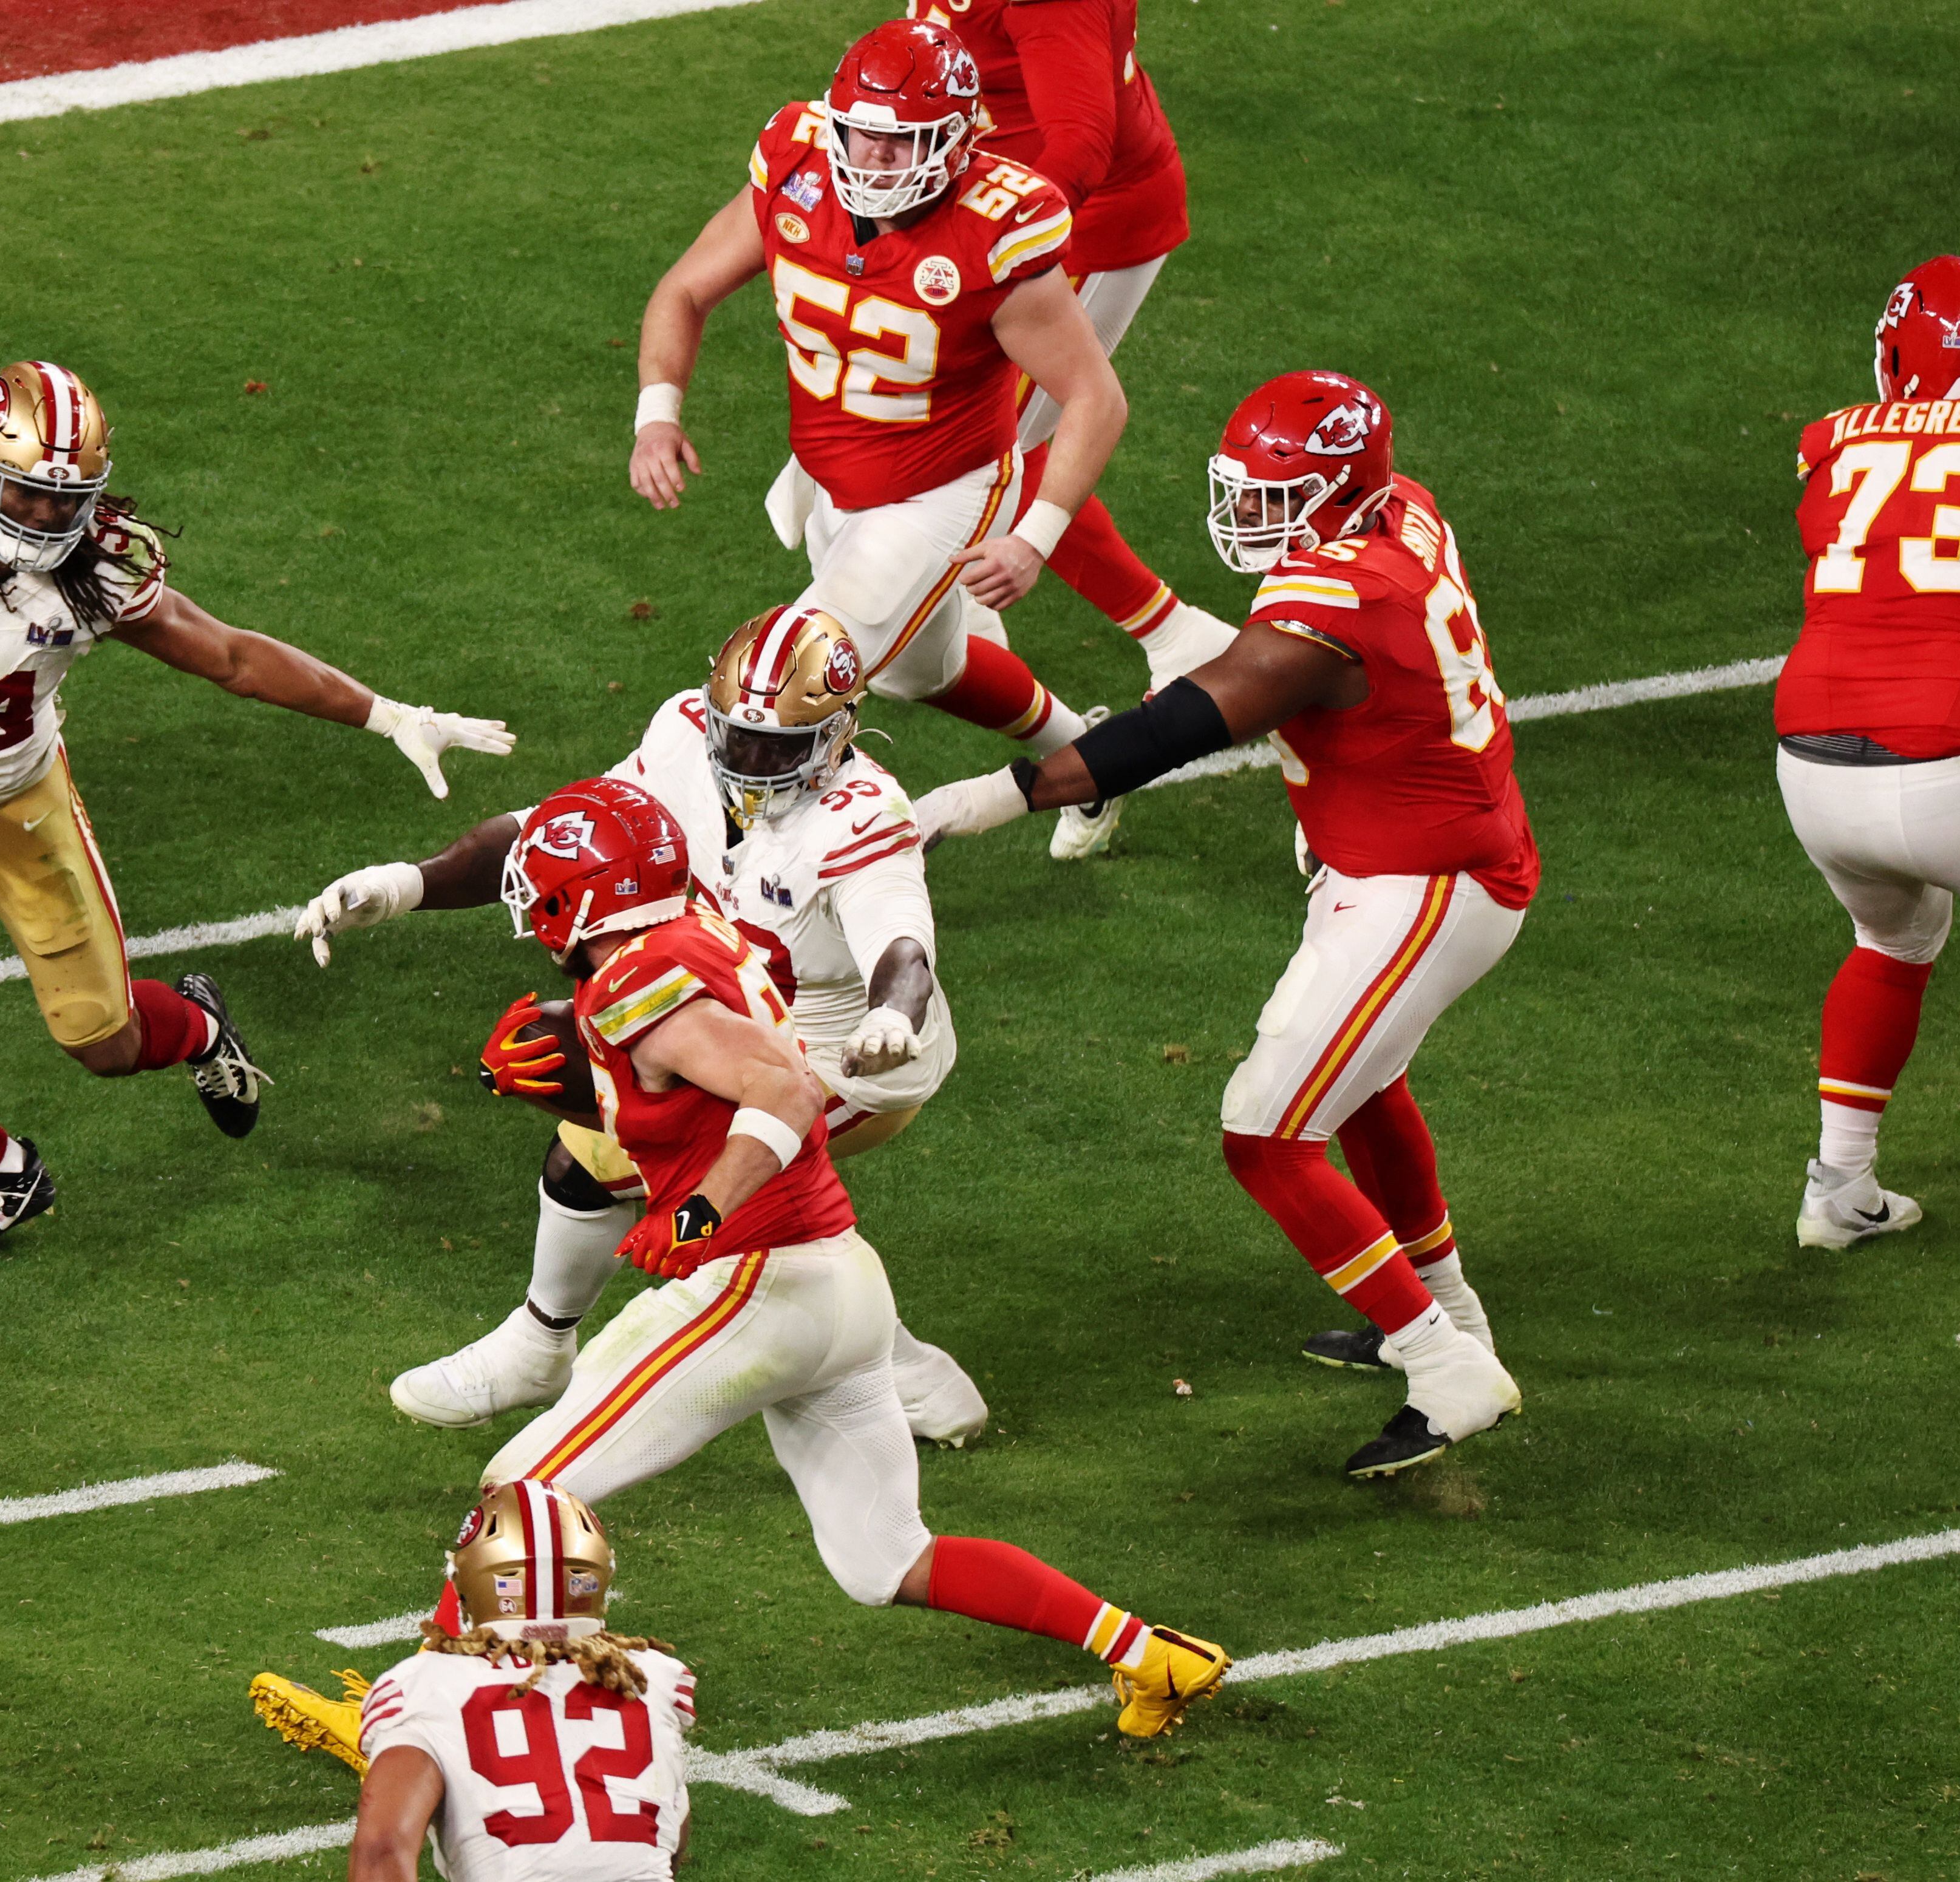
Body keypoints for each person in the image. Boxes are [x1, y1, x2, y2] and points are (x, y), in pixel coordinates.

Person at [437, 778, 1229, 1731]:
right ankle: (1151, 1655)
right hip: (837, 1282)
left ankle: (440, 1716)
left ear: (576, 898)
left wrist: (695, 1215)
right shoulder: (697, 936)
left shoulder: (635, 980)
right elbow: (696, 1084)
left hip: (758, 1282)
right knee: (886, 1559)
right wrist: (572, 1082)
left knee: (522, 1495)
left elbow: (784, 1093)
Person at [0, 359, 512, 1259]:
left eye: (68, 500)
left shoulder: (99, 570)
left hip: (24, 811)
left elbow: (232, 659)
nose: (49, 518)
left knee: (103, 1043)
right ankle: (4, 1173)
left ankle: (201, 1028)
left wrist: (390, 715)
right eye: (25, 494)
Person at [915, 370, 1529, 1478]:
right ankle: (1444, 1319)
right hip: (1407, 854)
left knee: (1264, 1132)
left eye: (1275, 496)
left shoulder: (1336, 604)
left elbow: (1183, 726)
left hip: (1421, 884)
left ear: (1339, 494)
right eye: (1242, 491)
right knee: (1364, 1089)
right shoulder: (1402, 507)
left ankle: (1446, 1368)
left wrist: (996, 797)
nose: (1248, 516)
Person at [296, 603, 985, 1445]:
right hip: (731, 1018)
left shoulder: (862, 817)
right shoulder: (686, 733)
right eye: (738, 737)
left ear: (839, 734)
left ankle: (874, 1359)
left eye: (777, 748)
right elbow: (570, 832)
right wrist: (404, 883)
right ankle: (550, 1343)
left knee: (643, 1128)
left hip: (847, 1061)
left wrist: (890, 1016)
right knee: (591, 1082)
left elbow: (904, 950)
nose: (749, 762)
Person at [628, 17, 1132, 863]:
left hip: (941, 493)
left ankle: (725, 889)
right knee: (923, 672)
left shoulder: (994, 229)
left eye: (902, 146)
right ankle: (1095, 754)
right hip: (831, 477)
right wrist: (656, 415)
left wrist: (1034, 537)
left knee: (781, 684)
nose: (873, 161)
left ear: (958, 139)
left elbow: (1093, 396)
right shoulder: (796, 165)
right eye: (862, 136)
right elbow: (684, 289)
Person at [1773, 254, 1960, 1248]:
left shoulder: (1825, 442)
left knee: (1891, 940)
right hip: (1949, 767)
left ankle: (1838, 1191)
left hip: (1811, 768)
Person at [904, 0, 1239, 691]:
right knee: (945, 419)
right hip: (1008, 200)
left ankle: (1175, 634)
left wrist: (1000, 248)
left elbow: (1084, 141)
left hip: (1082, 223)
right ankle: (957, 598)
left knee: (992, 447)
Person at [252, 1480, 696, 1881]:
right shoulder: (652, 1677)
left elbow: (381, 1851)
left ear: (471, 1584)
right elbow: (668, 1844)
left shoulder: (423, 1685)